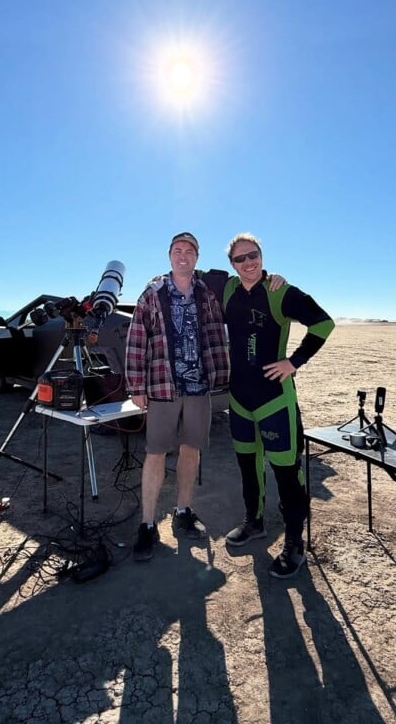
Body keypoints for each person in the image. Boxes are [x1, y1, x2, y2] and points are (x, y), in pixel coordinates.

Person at [222, 232, 335, 578]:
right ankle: (253, 522)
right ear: (232, 264)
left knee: (287, 474)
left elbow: (323, 323)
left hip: (275, 401)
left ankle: (294, 544)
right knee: (248, 467)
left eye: (252, 255)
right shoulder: (226, 288)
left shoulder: (279, 291)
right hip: (239, 399)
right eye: (240, 259)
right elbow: (191, 276)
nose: (248, 262)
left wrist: (294, 361)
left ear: (261, 254)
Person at [125, 232, 229, 561]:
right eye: (177, 250)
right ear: (169, 255)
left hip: (199, 387)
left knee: (191, 451)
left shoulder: (206, 294)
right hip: (162, 386)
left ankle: (183, 511)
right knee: (156, 453)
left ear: (196, 257)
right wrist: (136, 386)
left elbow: (220, 328)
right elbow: (136, 341)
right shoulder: (152, 294)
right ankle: (147, 524)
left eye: (189, 251)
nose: (183, 255)